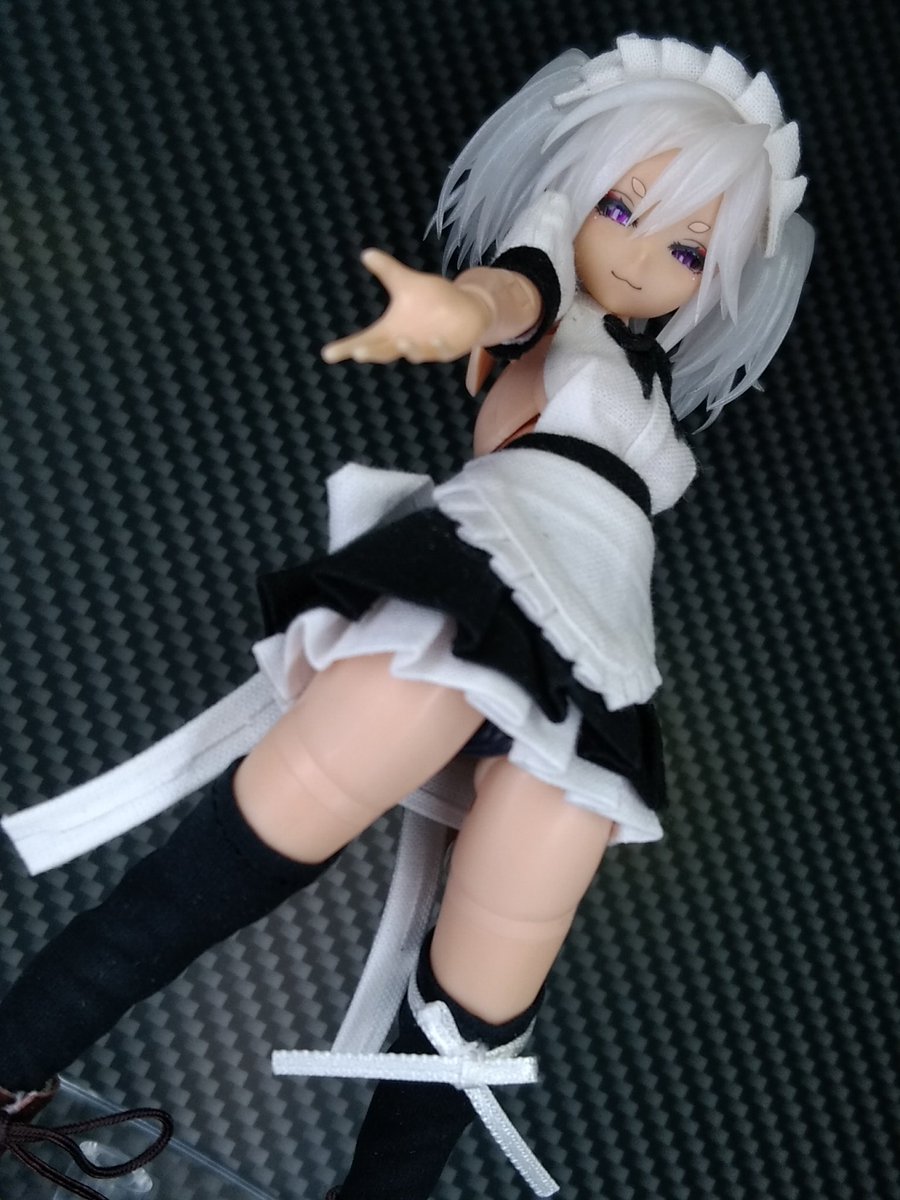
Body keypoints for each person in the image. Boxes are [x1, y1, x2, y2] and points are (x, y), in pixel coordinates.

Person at [0, 34, 813, 1200]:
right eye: (621, 209)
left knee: (491, 983)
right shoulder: (551, 291)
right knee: (235, 861)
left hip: (600, 654)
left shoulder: (647, 380)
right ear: (574, 195)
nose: (641, 257)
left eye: (687, 247)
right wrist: (458, 309)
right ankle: (14, 1060)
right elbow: (513, 288)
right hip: (493, 572)